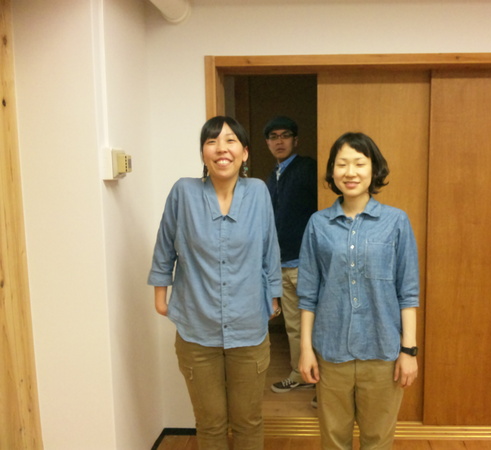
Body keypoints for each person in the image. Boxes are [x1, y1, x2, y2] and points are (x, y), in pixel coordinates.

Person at [148, 116, 282, 450]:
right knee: (210, 423)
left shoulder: (258, 191)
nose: (222, 149)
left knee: (248, 420)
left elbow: (270, 248)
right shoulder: (184, 191)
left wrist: (274, 297)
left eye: (230, 140)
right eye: (212, 141)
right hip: (197, 328)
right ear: (203, 153)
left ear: (245, 153)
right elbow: (165, 244)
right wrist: (161, 295)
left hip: (248, 328)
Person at [298, 132, 420, 449]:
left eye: (359, 163)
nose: (350, 172)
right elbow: (308, 294)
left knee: (378, 440)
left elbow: (407, 292)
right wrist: (306, 349)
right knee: (333, 440)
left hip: (382, 352)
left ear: (374, 169)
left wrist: (408, 351)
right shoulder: (318, 224)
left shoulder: (396, 221)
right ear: (332, 171)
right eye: (342, 164)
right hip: (330, 353)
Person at [263, 116, 318, 396]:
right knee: (294, 326)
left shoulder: (307, 168)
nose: (279, 141)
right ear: (267, 143)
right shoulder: (272, 177)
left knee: (317, 325)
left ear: (296, 140)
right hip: (281, 264)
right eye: (273, 137)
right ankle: (301, 374)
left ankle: (325, 385)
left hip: (306, 264)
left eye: (285, 135)